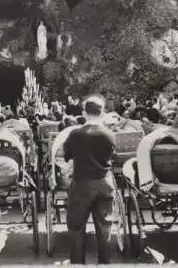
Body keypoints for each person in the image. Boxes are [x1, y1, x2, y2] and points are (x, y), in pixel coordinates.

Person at [63, 94, 116, 264]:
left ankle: (78, 263)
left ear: (84, 112)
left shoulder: (76, 134)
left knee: (77, 228)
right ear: (102, 113)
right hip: (105, 183)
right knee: (105, 229)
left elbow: (67, 156)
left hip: (82, 184)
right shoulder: (110, 134)